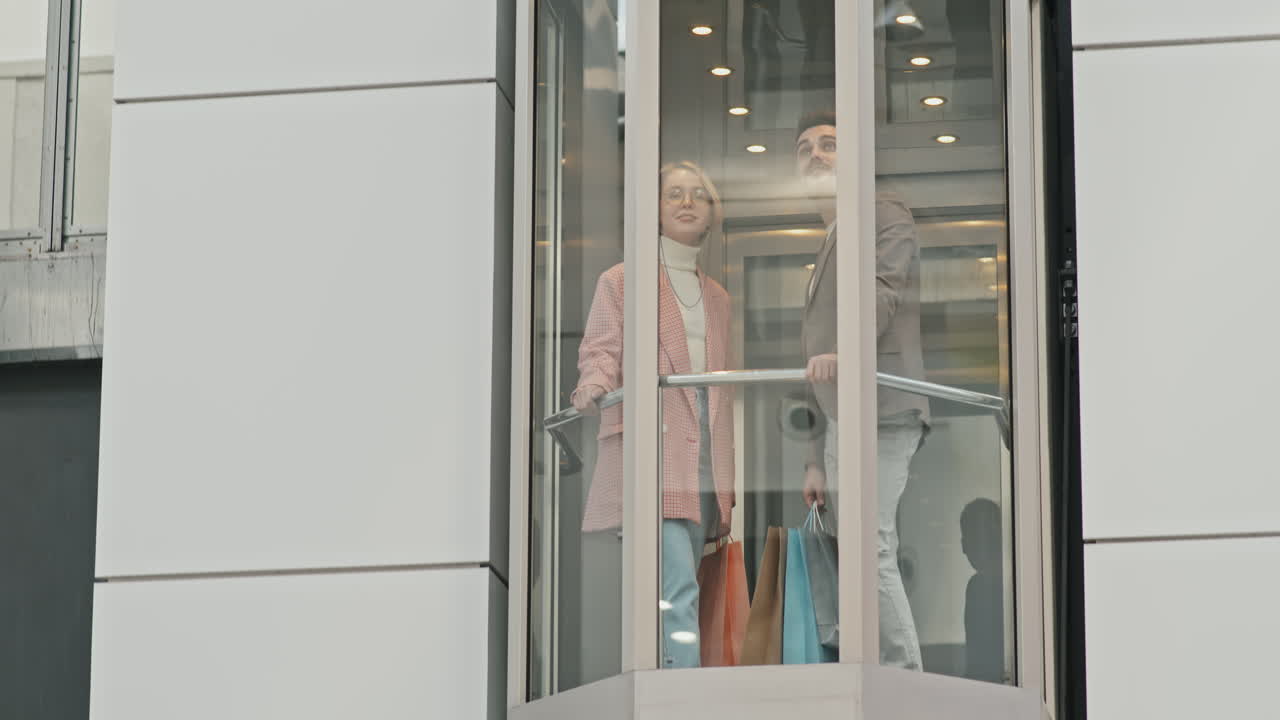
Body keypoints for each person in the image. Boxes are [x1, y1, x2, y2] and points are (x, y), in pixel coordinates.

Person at [572, 161, 736, 669]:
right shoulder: (622, 280)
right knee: (677, 584)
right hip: (657, 452)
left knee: (688, 581)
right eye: (673, 195)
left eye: (697, 195)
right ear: (655, 211)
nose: (686, 203)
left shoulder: (718, 297)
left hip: (706, 459)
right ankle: (678, 692)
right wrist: (594, 384)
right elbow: (601, 350)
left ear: (711, 215)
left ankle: (676, 679)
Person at [795, 110, 932, 670]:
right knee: (856, 549)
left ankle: (905, 680)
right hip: (843, 418)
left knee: (868, 548)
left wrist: (847, 354)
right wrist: (815, 458)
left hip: (882, 407)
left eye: (829, 144)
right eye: (805, 149)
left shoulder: (881, 211)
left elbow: (883, 290)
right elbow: (814, 358)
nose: (816, 155)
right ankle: (870, 672)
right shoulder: (828, 236)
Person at [961, 498, 1005, 683]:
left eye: (967, 537)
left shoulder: (980, 588)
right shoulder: (982, 586)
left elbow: (978, 663)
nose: (963, 548)